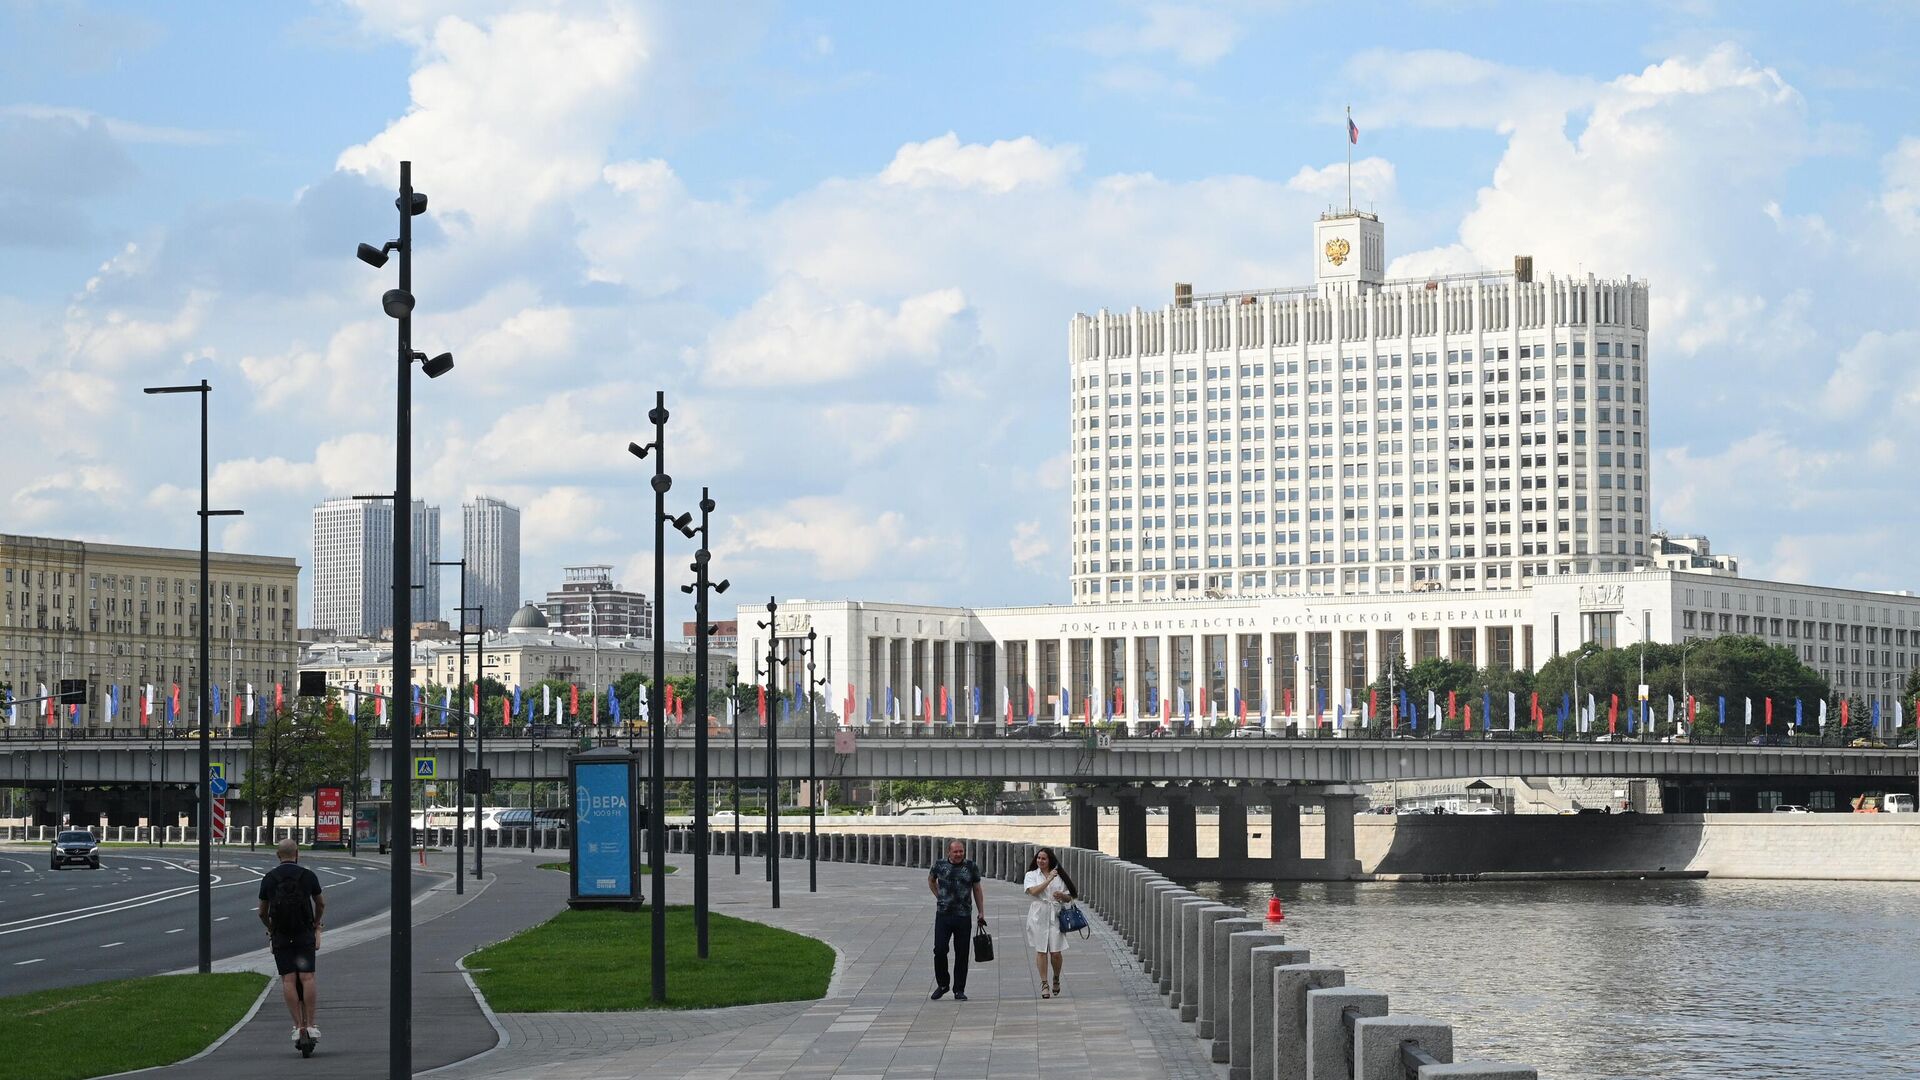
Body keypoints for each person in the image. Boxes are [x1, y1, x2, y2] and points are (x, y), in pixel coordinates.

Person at [258, 838, 325, 1047]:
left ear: (278, 855)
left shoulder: (269, 878)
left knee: (288, 979)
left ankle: (297, 1027)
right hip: (304, 933)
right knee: (307, 977)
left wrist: (271, 928)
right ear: (297, 854)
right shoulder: (308, 876)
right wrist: (316, 922)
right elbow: (321, 903)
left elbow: (262, 912)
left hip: (281, 934)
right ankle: (311, 1025)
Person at [927, 839, 986, 1001]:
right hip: (943, 915)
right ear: (949, 852)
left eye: (961, 851)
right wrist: (939, 896)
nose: (959, 854)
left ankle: (959, 989)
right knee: (939, 950)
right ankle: (943, 984)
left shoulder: (971, 867)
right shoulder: (939, 865)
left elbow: (977, 889)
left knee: (962, 953)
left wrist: (981, 911)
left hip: (963, 916)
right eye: (955, 852)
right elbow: (931, 880)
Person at [1022, 847, 1078, 998]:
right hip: (1038, 914)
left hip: (1055, 914)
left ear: (1050, 860)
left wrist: (1062, 896)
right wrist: (1048, 880)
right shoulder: (1031, 875)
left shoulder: (1059, 876)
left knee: (1056, 952)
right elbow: (1033, 891)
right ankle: (1044, 983)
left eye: (1044, 858)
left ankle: (1056, 977)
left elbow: (1070, 896)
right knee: (1041, 950)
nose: (1040, 861)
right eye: (1038, 858)